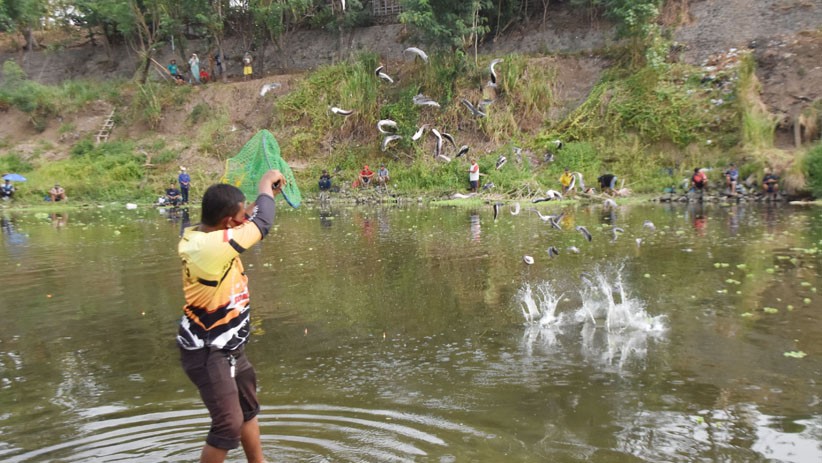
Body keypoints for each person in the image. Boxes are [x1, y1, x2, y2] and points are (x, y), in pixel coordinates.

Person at [177, 169, 285, 463]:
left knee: (247, 411)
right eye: (241, 215)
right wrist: (264, 185)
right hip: (208, 351)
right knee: (228, 423)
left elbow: (251, 218)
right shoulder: (212, 248)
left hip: (229, 347)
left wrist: (262, 200)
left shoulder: (207, 234)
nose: (246, 218)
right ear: (228, 223)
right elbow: (262, 223)